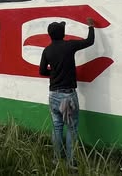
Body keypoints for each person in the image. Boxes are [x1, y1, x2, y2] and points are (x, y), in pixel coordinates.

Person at [39, 17, 95, 164]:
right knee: (71, 128)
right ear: (63, 34)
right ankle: (71, 162)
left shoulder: (47, 50)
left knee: (57, 127)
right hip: (67, 96)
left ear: (50, 35)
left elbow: (42, 71)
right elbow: (89, 41)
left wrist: (55, 73)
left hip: (53, 95)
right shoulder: (69, 46)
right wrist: (91, 26)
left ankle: (57, 159)